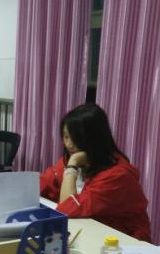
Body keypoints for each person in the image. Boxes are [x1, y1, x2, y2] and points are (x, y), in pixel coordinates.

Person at [40, 103, 151, 242]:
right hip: (89, 235)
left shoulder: (117, 176)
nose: (69, 144)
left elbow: (67, 208)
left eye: (76, 138)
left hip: (122, 245)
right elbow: (43, 183)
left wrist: (72, 166)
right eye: (66, 136)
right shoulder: (71, 160)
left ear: (94, 139)